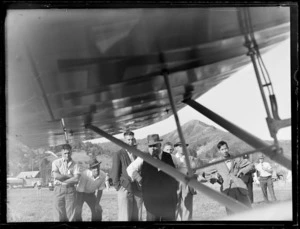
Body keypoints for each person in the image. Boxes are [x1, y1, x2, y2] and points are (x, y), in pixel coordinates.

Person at [127, 134, 178, 221]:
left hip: (169, 199)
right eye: (150, 146)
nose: (153, 148)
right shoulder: (143, 158)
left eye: (155, 146)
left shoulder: (170, 157)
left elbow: (181, 167)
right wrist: (139, 179)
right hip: (151, 200)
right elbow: (130, 169)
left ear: (160, 145)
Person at [200, 141, 252, 215]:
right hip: (227, 190)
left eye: (226, 148)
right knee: (231, 213)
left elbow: (250, 165)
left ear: (228, 148)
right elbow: (204, 173)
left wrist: (242, 171)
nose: (225, 151)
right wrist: (214, 178)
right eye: (222, 149)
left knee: (248, 211)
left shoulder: (237, 159)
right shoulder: (216, 162)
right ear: (219, 151)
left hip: (240, 188)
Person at [110, 130, 143, 221]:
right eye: (128, 140)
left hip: (137, 188)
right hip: (125, 188)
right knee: (125, 217)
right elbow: (114, 173)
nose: (130, 142)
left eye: (132, 139)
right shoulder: (118, 154)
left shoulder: (137, 153)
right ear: (124, 141)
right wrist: (119, 188)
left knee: (137, 216)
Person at [172, 142, 201, 221]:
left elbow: (195, 171)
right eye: (180, 146)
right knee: (174, 207)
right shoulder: (172, 158)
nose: (183, 148)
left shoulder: (190, 158)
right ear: (176, 148)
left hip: (187, 184)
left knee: (187, 208)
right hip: (175, 184)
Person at [51, 144, 80, 221]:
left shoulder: (75, 164)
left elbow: (76, 179)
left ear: (71, 152)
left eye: (69, 153)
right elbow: (56, 176)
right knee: (58, 216)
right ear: (61, 152)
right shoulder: (56, 162)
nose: (67, 155)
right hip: (58, 190)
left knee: (71, 216)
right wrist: (69, 176)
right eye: (65, 153)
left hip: (70, 190)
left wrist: (62, 178)